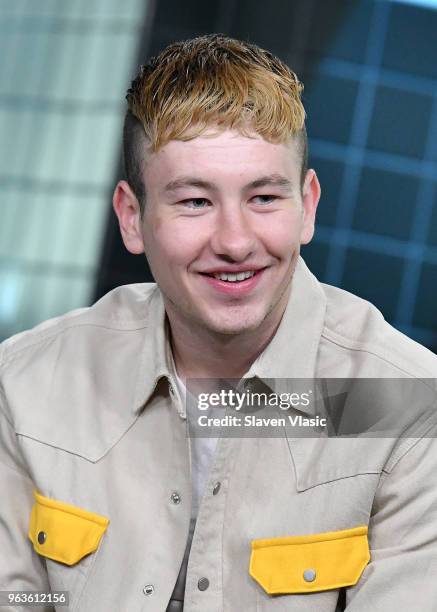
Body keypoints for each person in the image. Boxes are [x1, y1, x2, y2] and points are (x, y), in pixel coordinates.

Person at [1, 33, 436, 612]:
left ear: (307, 206)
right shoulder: (27, 381)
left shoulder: (405, 404)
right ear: (133, 219)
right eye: (194, 202)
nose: (234, 242)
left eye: (263, 198)